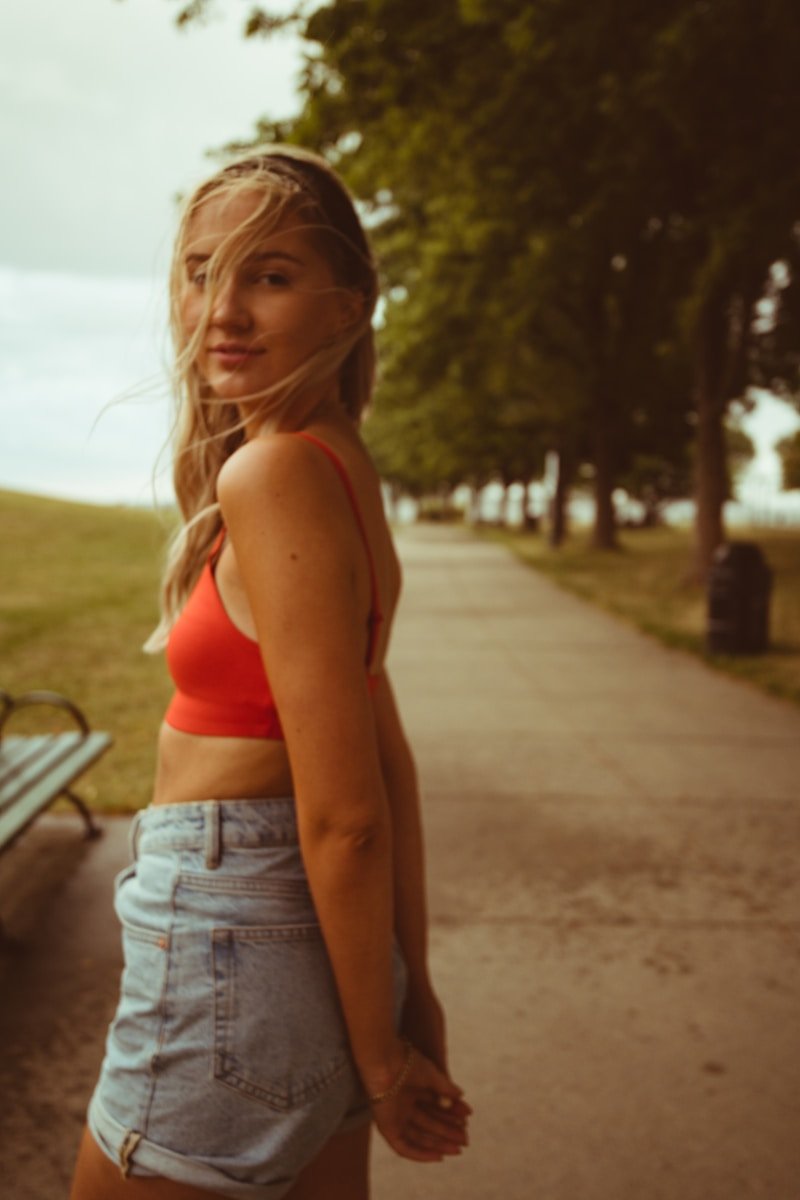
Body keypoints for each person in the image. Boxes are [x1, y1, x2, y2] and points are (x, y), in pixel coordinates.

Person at [69, 147, 470, 1200]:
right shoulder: (335, 460)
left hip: (235, 923)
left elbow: (348, 810)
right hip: (314, 943)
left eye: (271, 275)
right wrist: (401, 993)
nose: (223, 309)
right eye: (203, 272)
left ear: (346, 307)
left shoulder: (278, 470)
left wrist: (387, 1054)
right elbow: (390, 765)